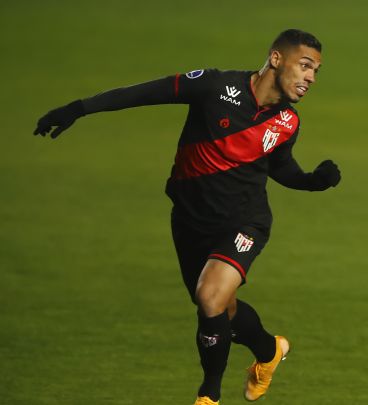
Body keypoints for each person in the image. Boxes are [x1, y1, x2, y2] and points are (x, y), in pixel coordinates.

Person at [34, 29, 340, 405]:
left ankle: (208, 395)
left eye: (316, 71)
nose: (310, 77)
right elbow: (146, 93)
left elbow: (280, 167)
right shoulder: (215, 87)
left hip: (245, 222)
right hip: (190, 220)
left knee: (210, 297)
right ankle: (269, 351)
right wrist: (79, 108)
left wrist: (313, 182)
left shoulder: (287, 122)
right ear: (276, 59)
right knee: (220, 310)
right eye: (305, 66)